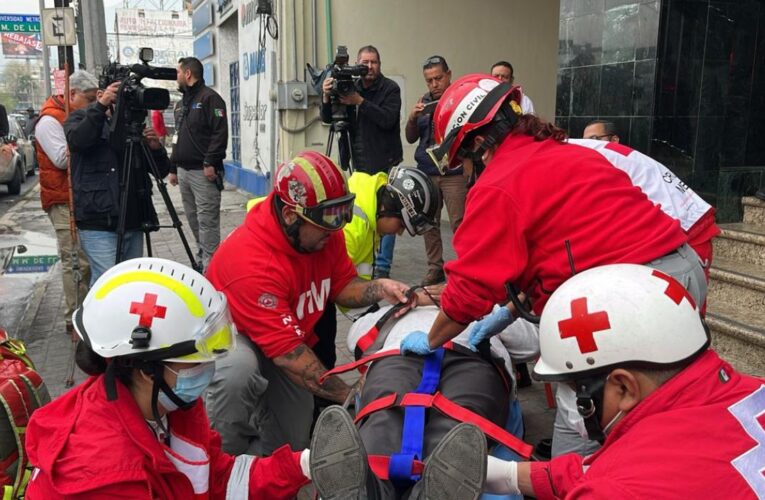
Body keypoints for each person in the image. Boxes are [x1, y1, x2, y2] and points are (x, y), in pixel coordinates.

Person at [402, 73, 706, 366]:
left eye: (465, 157)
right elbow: (560, 247)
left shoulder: (498, 185)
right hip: (680, 274)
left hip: (632, 298)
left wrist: (431, 340)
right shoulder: (567, 153)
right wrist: (509, 311)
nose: (468, 169)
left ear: (480, 143)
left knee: (590, 407)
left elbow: (470, 288)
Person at [24, 257, 312, 498]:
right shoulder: (108, 477)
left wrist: (303, 466)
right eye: (195, 363)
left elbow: (218, 478)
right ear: (147, 371)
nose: (207, 371)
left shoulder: (168, 408)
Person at [472, 264, 765, 499]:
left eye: (575, 389)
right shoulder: (752, 390)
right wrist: (509, 476)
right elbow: (610, 468)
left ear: (624, 387)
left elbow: (621, 478)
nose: (572, 403)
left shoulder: (616, 488)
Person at [205, 151, 416, 456]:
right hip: (237, 340)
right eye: (331, 217)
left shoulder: (322, 235)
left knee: (294, 434)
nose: (339, 227)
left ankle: (261, 469)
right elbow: (291, 356)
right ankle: (219, 464)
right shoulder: (252, 263)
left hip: (283, 339)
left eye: (344, 211)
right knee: (239, 371)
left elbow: (342, 286)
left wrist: (380, 287)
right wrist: (353, 395)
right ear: (291, 215)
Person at [308, 299, 540, 500]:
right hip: (408, 355)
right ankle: (395, 486)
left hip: (459, 357)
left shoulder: (489, 306)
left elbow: (532, 343)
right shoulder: (391, 310)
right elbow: (357, 338)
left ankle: (374, 487)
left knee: (451, 429)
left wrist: (492, 310)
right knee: (390, 420)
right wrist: (400, 307)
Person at [65, 78, 170, 285]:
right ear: (101, 95)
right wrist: (100, 107)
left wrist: (156, 149)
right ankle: (98, 318)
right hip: (99, 220)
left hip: (134, 218)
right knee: (109, 283)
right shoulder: (81, 118)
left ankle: (128, 319)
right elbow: (78, 141)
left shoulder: (133, 126)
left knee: (132, 283)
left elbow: (161, 172)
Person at [569, 138, 720, 283]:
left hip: (685, 224)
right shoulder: (576, 148)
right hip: (680, 212)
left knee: (678, 303)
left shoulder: (572, 155)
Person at [320, 45, 403, 280]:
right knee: (363, 213)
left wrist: (359, 102)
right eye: (364, 62)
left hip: (385, 161)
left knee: (387, 212)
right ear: (356, 64)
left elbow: (387, 120)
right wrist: (327, 96)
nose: (369, 67)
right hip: (358, 162)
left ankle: (383, 266)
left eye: (373, 62)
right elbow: (329, 118)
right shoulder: (350, 86)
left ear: (380, 64)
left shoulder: (390, 89)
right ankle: (363, 257)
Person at [33, 70, 95, 334]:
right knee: (74, 261)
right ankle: (74, 318)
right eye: (89, 99)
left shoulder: (71, 115)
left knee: (86, 260)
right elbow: (60, 159)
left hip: (79, 197)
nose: (92, 104)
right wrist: (84, 139)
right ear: (71, 95)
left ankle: (85, 311)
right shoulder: (49, 121)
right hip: (62, 199)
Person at [406, 55, 467, 286]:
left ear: (449, 74)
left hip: (454, 171)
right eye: (429, 80)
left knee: (459, 223)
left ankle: (465, 268)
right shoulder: (423, 102)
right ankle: (435, 268)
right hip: (427, 172)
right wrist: (413, 118)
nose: (434, 84)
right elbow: (411, 137)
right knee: (428, 223)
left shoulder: (461, 99)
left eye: (438, 78)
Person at [168, 56, 228, 272]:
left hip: (203, 173)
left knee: (207, 220)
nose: (176, 77)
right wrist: (173, 168)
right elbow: (177, 136)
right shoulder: (182, 102)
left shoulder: (211, 99)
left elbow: (220, 133)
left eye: (177, 73)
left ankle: (212, 265)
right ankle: (202, 256)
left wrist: (211, 161)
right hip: (183, 172)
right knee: (193, 219)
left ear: (187, 74)